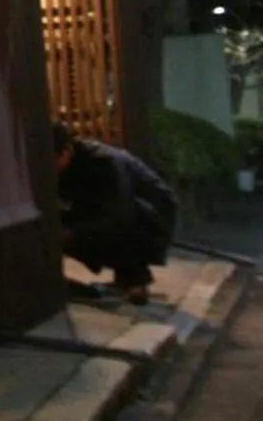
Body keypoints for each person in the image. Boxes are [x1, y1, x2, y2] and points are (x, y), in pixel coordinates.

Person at [54, 122, 179, 306]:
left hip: (152, 218)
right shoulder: (69, 167)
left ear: (67, 150)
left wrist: (72, 233)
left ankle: (134, 278)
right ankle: (126, 278)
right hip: (126, 213)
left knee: (109, 219)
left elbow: (120, 213)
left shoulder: (103, 162)